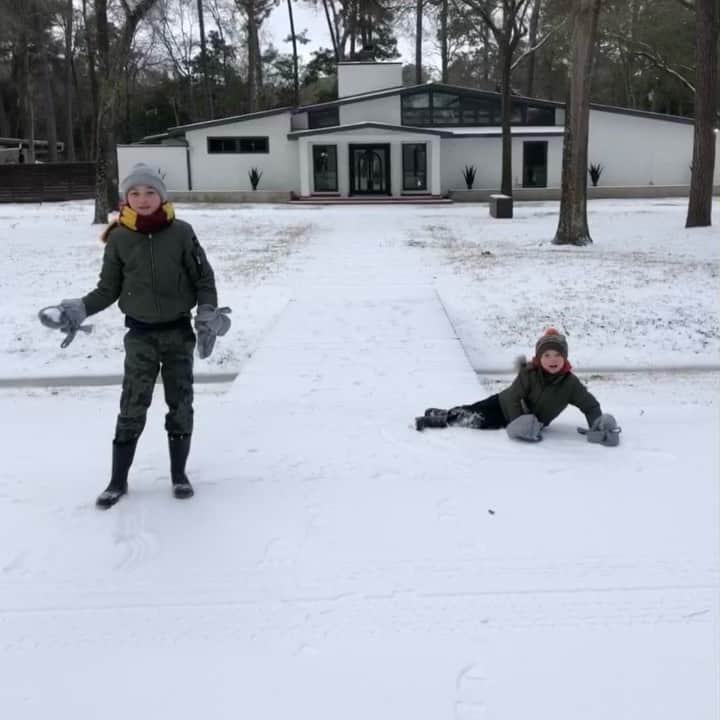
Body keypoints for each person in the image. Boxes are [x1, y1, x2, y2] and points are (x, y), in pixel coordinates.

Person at [39, 163, 231, 508]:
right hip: (140, 337)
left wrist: (206, 312)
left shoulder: (183, 233)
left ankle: (179, 475)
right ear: (125, 198)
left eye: (150, 192)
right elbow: (107, 289)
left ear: (162, 196)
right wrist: (79, 308)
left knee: (181, 404)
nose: (142, 199)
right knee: (132, 406)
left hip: (178, 334)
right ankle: (117, 480)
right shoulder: (119, 238)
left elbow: (204, 280)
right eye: (134, 193)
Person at [415, 328, 620, 446]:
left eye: (557, 355)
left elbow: (590, 406)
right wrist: (517, 422)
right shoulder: (529, 374)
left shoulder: (570, 384)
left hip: (524, 421)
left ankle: (445, 414)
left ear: (564, 358)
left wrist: (597, 424)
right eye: (547, 355)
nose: (552, 360)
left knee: (475, 418)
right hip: (503, 405)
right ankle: (438, 418)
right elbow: (514, 397)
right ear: (539, 358)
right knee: (473, 415)